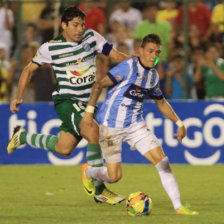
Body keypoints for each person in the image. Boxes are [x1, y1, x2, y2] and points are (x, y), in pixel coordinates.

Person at [7, 6, 131, 205]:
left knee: (64, 148)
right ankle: (99, 188)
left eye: (82, 24)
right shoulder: (50, 47)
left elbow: (115, 55)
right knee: (93, 131)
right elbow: (28, 70)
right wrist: (18, 97)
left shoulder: (92, 37)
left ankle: (21, 136)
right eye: (75, 25)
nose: (80, 29)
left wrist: (135, 64)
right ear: (63, 25)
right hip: (66, 101)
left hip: (87, 103)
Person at [80, 34, 198, 215]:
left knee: (163, 161)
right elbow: (98, 85)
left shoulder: (153, 76)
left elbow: (161, 102)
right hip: (111, 126)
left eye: (157, 53)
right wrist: (88, 115)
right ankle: (89, 172)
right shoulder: (128, 67)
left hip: (135, 125)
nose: (154, 56)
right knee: (114, 177)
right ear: (140, 51)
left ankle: (178, 207)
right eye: (150, 51)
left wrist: (179, 123)